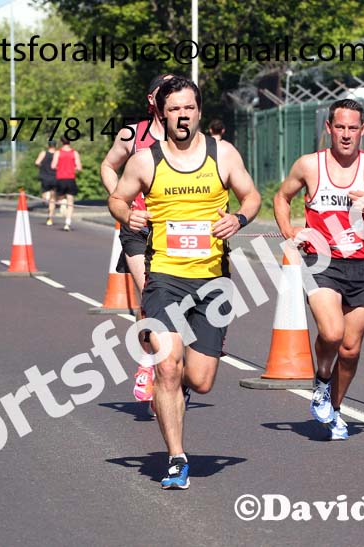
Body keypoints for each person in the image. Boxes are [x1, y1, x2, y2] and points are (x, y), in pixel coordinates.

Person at [110, 76, 261, 489]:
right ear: (161, 113)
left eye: (189, 108)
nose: (182, 116)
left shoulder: (223, 154)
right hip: (164, 279)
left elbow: (252, 196)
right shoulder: (145, 160)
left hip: (213, 281)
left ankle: (176, 394)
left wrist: (239, 218)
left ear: (199, 112)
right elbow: (117, 199)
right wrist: (128, 216)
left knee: (201, 379)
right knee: (167, 365)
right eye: (174, 109)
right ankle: (177, 457)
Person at [275, 99, 364, 441]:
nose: (346, 135)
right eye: (339, 127)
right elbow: (282, 197)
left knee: (351, 348)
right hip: (321, 262)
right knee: (331, 334)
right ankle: (321, 379)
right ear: (329, 128)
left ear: (363, 130)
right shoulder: (309, 166)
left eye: (352, 128)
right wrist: (289, 231)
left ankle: (336, 410)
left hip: (360, 266)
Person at [101, 73, 174, 404]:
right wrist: (122, 203)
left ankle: (166, 367)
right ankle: (148, 363)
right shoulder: (133, 134)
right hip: (138, 229)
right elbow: (108, 165)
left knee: (170, 302)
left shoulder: (187, 135)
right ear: (152, 99)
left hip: (175, 232)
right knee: (151, 294)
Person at [50, 136, 82, 231]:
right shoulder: (74, 153)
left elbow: (53, 166)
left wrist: (60, 168)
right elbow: (79, 167)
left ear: (61, 142)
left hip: (60, 178)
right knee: (71, 202)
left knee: (59, 198)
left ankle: (62, 203)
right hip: (70, 179)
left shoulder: (58, 153)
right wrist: (72, 168)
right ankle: (67, 223)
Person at [35, 140, 58, 224]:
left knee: (44, 195)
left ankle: (46, 198)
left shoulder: (43, 153)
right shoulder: (57, 154)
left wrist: (42, 167)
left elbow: (37, 162)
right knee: (53, 198)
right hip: (55, 177)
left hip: (44, 177)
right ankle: (50, 218)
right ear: (56, 145)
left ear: (48, 145)